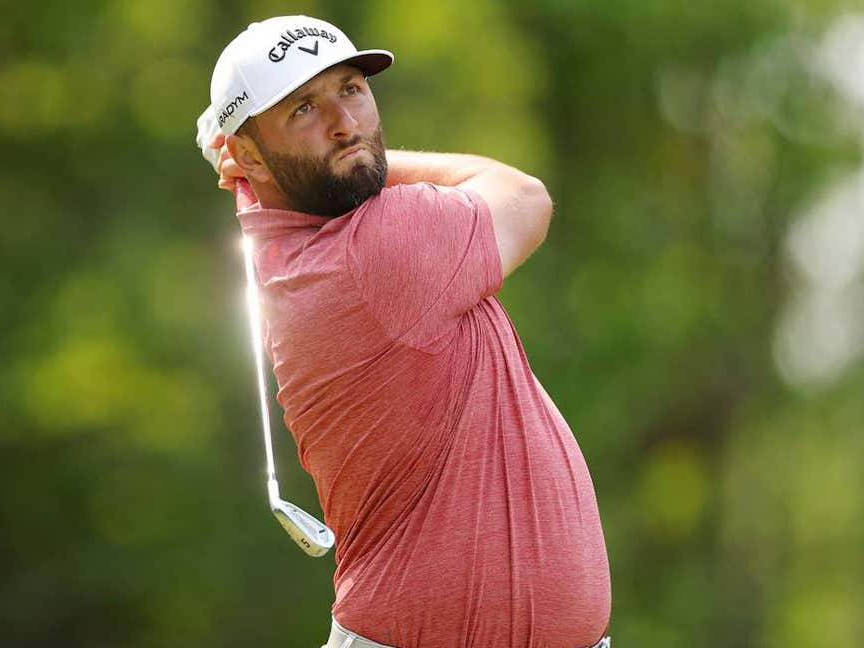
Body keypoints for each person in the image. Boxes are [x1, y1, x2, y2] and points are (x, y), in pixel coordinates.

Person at [196, 15, 611, 648]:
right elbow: (524, 197)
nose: (345, 124)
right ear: (247, 153)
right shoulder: (373, 251)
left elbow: (309, 179)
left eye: (351, 90)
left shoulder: (291, 247)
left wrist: (263, 160)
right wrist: (361, 163)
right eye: (304, 108)